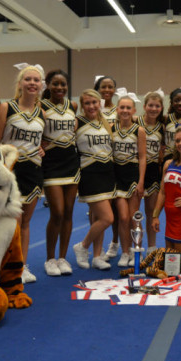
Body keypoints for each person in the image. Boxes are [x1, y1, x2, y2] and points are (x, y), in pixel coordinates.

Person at [0, 64, 46, 283]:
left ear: (41, 86)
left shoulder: (42, 112)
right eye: (28, 79)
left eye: (36, 80)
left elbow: (41, 142)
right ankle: (5, 265)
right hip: (10, 171)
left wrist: (42, 148)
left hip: (33, 171)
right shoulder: (7, 107)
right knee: (11, 222)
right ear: (20, 83)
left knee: (25, 223)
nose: (32, 83)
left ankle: (22, 265)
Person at [40, 70, 80, 276]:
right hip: (52, 163)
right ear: (47, 85)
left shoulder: (72, 106)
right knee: (57, 211)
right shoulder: (41, 106)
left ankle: (63, 257)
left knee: (69, 211)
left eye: (63, 84)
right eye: (55, 84)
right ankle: (49, 258)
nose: (60, 88)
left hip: (71, 162)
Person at [72, 89, 116, 270]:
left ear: (100, 104)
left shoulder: (104, 123)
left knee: (97, 217)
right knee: (107, 218)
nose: (91, 106)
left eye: (94, 102)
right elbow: (65, 142)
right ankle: (82, 246)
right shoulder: (78, 122)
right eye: (87, 103)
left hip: (107, 172)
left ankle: (97, 256)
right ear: (82, 106)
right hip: (90, 173)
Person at [111, 95, 146, 267]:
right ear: (117, 110)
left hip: (132, 176)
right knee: (123, 218)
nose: (125, 111)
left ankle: (137, 249)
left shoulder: (139, 130)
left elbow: (142, 157)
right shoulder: (111, 128)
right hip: (117, 177)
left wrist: (141, 182)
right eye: (121, 107)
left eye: (128, 108)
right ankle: (124, 252)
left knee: (134, 218)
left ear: (134, 111)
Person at [94, 76, 121, 260]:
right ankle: (98, 249)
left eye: (110, 87)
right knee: (99, 210)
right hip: (98, 164)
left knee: (117, 209)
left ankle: (115, 242)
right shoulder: (92, 108)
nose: (107, 90)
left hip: (117, 162)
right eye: (103, 87)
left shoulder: (120, 109)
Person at [140, 91, 165, 254]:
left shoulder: (162, 127)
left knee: (151, 211)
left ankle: (151, 247)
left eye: (157, 106)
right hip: (135, 169)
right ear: (144, 106)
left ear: (161, 108)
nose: (153, 108)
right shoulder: (137, 122)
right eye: (150, 105)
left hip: (154, 170)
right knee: (134, 213)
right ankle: (134, 246)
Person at [164, 88, 181, 163]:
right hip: (168, 157)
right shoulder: (166, 119)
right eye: (176, 100)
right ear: (172, 103)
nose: (180, 103)